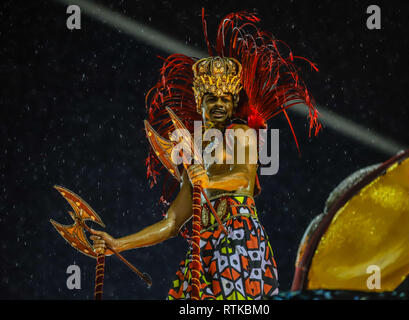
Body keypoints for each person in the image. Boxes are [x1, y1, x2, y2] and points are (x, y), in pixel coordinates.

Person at [90, 11, 320, 300]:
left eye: (226, 98)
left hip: (238, 237)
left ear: (235, 101)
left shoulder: (241, 133)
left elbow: (241, 177)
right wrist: (118, 244)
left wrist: (207, 179)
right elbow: (172, 223)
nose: (220, 104)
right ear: (201, 102)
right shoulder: (196, 157)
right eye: (212, 98)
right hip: (204, 247)